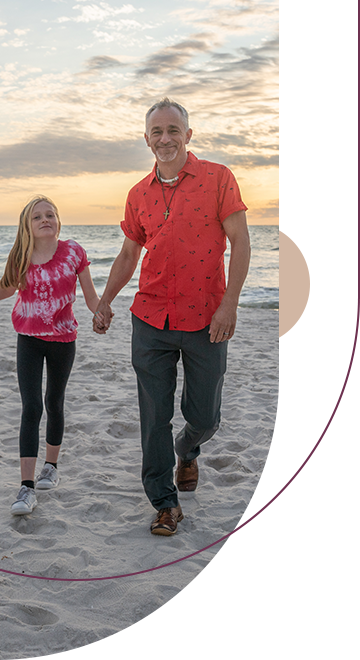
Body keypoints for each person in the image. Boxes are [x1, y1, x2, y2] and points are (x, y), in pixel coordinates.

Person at [93, 98, 250, 536]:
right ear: (147, 140)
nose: (165, 139)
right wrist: (105, 300)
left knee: (205, 417)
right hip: (150, 319)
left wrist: (230, 304)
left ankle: (189, 449)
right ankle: (164, 502)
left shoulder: (219, 178)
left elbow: (240, 242)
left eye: (173, 130)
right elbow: (129, 253)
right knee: (154, 416)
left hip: (207, 319)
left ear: (188, 135)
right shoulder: (137, 194)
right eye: (157, 132)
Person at [0, 197, 100, 516]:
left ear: (58, 222)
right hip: (29, 338)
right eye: (37, 216)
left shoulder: (73, 252)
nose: (44, 219)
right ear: (28, 226)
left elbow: (91, 297)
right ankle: (26, 487)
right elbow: (5, 290)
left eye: (50, 214)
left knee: (54, 401)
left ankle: (51, 466)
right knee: (31, 407)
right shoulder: (21, 256)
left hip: (64, 339)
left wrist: (101, 312)